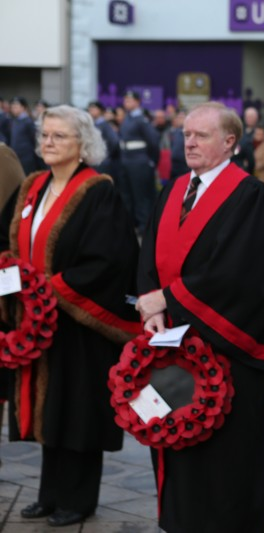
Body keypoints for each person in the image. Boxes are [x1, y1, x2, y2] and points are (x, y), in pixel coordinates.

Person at [136, 101, 264, 533]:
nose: (190, 142)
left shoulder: (249, 195)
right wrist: (151, 307)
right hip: (172, 344)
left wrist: (167, 299)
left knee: (223, 458)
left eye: (201, 135)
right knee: (175, 438)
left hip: (224, 346)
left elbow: (236, 272)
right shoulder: (174, 187)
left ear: (230, 142)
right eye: (186, 134)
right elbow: (148, 254)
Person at [0, 105, 139, 527]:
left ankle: (78, 499)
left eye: (59, 136)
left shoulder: (98, 191)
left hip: (79, 326)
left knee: (77, 411)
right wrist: (11, 284)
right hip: (35, 324)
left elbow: (109, 260)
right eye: (45, 135)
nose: (47, 142)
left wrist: (46, 290)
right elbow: (8, 245)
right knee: (47, 411)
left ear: (83, 145)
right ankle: (49, 493)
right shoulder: (31, 187)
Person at [118, 90, 160, 234]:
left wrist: (151, 161)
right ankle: (133, 223)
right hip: (127, 160)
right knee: (129, 194)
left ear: (137, 102)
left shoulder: (141, 119)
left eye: (130, 100)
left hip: (139, 161)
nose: (126, 103)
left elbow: (153, 141)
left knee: (141, 195)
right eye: (125, 100)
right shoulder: (127, 118)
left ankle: (144, 225)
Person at [87, 100, 121, 180]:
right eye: (90, 109)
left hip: (102, 162)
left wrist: (106, 155)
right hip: (94, 160)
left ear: (100, 110)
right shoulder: (93, 124)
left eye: (93, 109)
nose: (91, 111)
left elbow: (114, 141)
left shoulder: (104, 125)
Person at [9, 97, 40, 175]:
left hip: (27, 157)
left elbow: (34, 138)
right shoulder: (14, 121)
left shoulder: (28, 121)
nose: (13, 109)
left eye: (16, 107)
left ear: (23, 107)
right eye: (12, 107)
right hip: (16, 156)